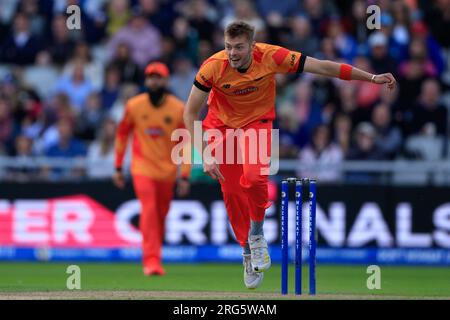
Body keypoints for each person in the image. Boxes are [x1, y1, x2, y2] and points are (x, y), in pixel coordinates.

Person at [183, 21, 396, 289]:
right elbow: (189, 114)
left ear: (252, 45)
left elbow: (323, 66)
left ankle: (257, 235)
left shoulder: (272, 56)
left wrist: (372, 78)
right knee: (233, 192)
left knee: (254, 177)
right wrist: (205, 155)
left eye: (239, 47)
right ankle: (247, 251)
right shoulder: (213, 66)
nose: (232, 53)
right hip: (220, 124)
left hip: (256, 123)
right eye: (228, 47)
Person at [113, 62, 191, 276]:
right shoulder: (134, 105)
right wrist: (118, 167)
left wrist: (184, 175)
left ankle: (154, 255)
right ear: (146, 80)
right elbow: (122, 135)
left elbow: (185, 144)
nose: (154, 81)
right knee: (148, 210)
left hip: (167, 172)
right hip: (142, 168)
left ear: (165, 81)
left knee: (160, 215)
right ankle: (151, 261)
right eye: (150, 77)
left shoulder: (178, 108)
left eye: (158, 78)